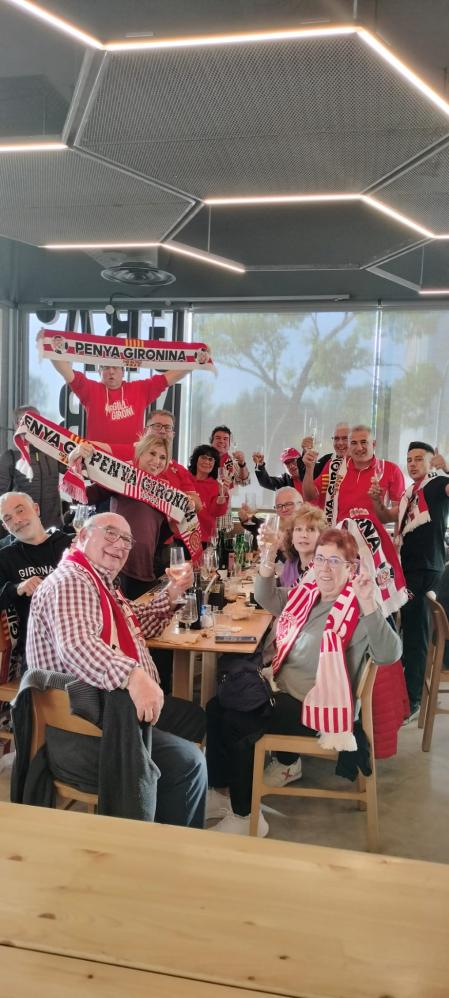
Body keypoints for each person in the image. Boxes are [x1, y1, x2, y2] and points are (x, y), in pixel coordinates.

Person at [206, 527, 401, 836]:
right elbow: (265, 595)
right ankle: (221, 793)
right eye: (320, 559)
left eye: (334, 561)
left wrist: (369, 603)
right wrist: (269, 555)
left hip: (317, 707)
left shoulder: (357, 609)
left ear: (351, 568)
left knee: (236, 720)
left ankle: (245, 818)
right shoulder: (308, 596)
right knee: (215, 707)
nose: (323, 568)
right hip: (282, 690)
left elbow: (390, 653)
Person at [26, 511, 207, 828]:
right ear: (82, 536)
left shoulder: (101, 584)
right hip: (83, 731)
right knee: (188, 762)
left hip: (112, 712)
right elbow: (77, 644)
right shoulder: (71, 581)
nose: (120, 545)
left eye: (126, 539)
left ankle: (171, 810)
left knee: (198, 721)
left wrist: (172, 594)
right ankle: (158, 854)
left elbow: (136, 625)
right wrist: (134, 676)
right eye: (110, 533)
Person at [372, 441, 449, 717]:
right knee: (404, 632)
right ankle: (401, 693)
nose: (413, 463)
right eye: (409, 459)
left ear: (431, 462)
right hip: (409, 570)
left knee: (415, 636)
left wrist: (447, 467)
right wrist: (377, 501)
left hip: (428, 571)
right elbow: (388, 516)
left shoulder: (439, 485)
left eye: (419, 459)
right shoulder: (410, 493)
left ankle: (413, 701)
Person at [44, 332, 189, 461]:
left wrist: (196, 358)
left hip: (132, 461)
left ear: (123, 371)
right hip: (98, 460)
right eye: (106, 368)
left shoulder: (140, 389)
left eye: (115, 367)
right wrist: (50, 345)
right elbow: (66, 372)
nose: (111, 372)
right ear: (100, 372)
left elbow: (170, 377)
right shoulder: (90, 389)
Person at [0, 492, 71, 675]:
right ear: (5, 527)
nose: (17, 520)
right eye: (8, 518)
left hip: (79, 639)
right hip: (36, 650)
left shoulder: (71, 544)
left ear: (36, 509)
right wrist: (17, 588)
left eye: (20, 510)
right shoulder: (5, 557)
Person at [302, 424, 404, 525]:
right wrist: (309, 468)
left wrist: (397, 539)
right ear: (350, 445)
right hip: (339, 537)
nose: (359, 448)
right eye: (354, 443)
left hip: (373, 538)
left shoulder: (391, 469)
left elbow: (400, 513)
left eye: (364, 442)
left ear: (373, 444)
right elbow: (309, 496)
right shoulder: (334, 466)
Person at [0, 405, 62, 531]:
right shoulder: (9, 457)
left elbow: (77, 471)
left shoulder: (54, 453)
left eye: (38, 421)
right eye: (30, 421)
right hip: (21, 532)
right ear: (18, 425)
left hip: (53, 531)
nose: (35, 426)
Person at [252, 435, 334, 491]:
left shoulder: (313, 470)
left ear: (300, 460)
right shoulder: (284, 481)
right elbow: (265, 482)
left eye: (293, 461)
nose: (291, 465)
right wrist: (260, 465)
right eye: (287, 463)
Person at [188, 444, 229, 544]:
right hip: (181, 534)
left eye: (211, 459)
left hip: (204, 537)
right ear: (196, 459)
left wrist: (221, 494)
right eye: (203, 457)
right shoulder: (185, 478)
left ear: (215, 464)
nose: (207, 462)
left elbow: (218, 512)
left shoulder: (217, 485)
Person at [279, 504, 327, 587]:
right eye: (298, 529)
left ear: (321, 537)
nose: (304, 535)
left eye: (311, 529)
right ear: (292, 538)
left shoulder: (327, 568)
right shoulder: (289, 565)